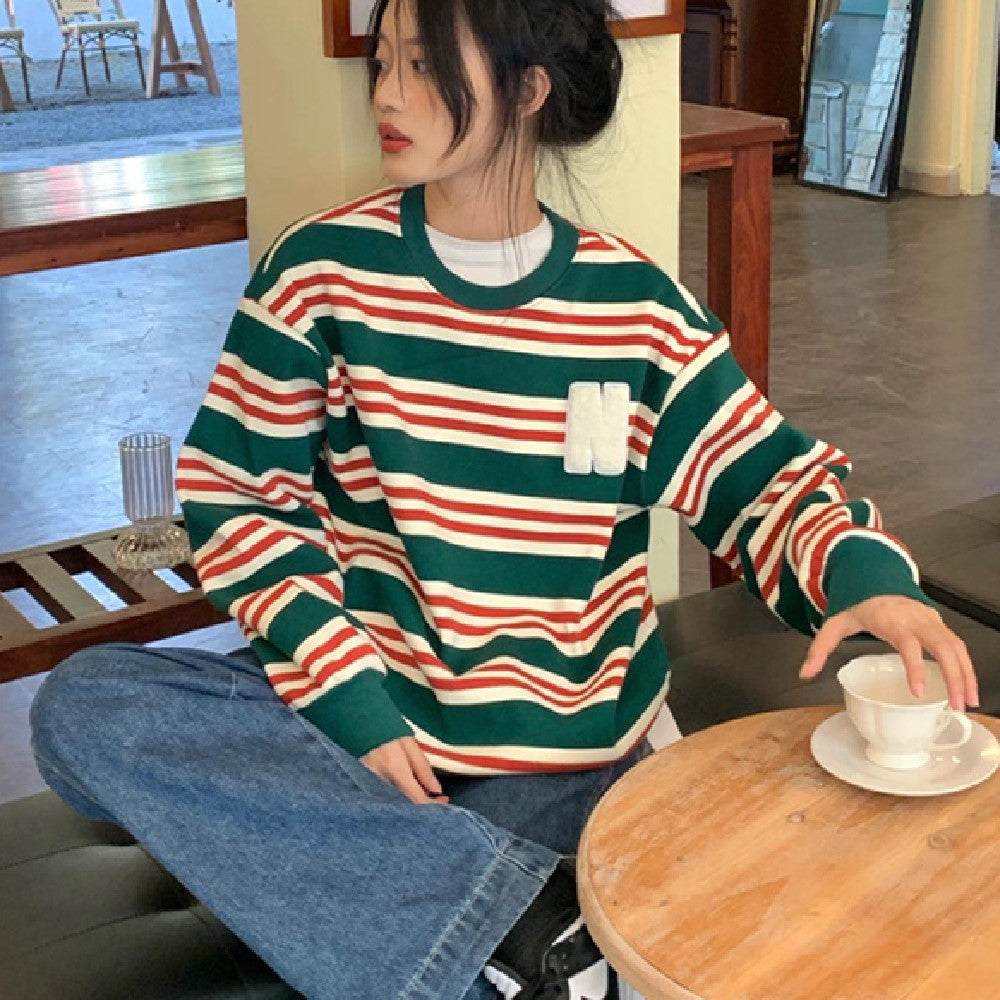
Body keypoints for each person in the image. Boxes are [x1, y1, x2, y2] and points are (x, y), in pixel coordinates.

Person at [28, 0, 980, 998]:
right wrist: (347, 692)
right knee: (86, 709)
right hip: (374, 736)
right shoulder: (319, 276)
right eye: (383, 62)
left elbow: (765, 483)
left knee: (372, 878)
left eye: (428, 67)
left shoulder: (633, 309)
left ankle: (473, 925)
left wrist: (864, 580)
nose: (389, 95)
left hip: (565, 765)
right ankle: (530, 928)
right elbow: (239, 497)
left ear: (529, 91)